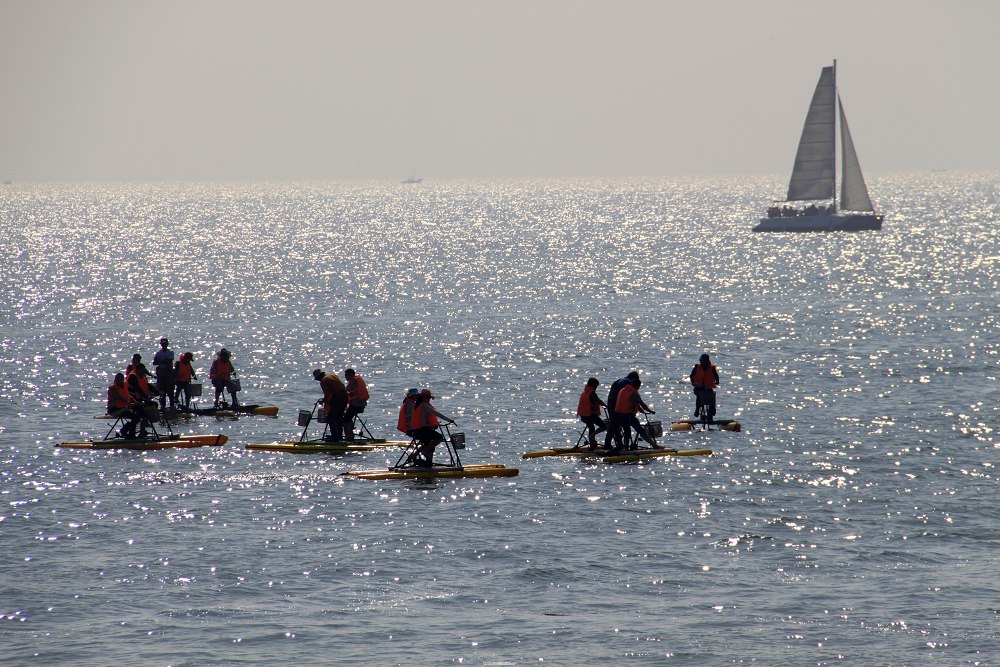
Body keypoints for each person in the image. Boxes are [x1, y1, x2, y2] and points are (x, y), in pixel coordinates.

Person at [410, 388, 454, 466]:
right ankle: (426, 451)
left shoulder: (417, 405)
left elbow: (423, 418)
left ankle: (416, 456)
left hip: (417, 430)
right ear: (424, 398)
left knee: (427, 443)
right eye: (428, 398)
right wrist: (449, 420)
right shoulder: (424, 405)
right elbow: (437, 413)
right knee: (440, 437)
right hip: (422, 430)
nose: (429, 400)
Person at [612, 376, 658, 451]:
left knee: (627, 431)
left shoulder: (623, 390)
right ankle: (654, 445)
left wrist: (639, 409)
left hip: (619, 415)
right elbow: (643, 405)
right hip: (628, 416)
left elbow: (628, 402)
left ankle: (625, 447)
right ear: (637, 386)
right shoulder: (634, 393)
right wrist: (651, 411)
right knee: (641, 430)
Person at [603, 371, 640, 450]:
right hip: (615, 407)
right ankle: (619, 445)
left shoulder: (622, 380)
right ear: (634, 378)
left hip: (612, 405)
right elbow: (625, 397)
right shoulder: (627, 382)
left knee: (614, 425)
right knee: (616, 425)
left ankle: (610, 444)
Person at [313, 368, 347, 441]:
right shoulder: (332, 375)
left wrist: (323, 401)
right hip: (345, 396)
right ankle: (339, 436)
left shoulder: (323, 381)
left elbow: (327, 394)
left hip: (338, 397)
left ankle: (335, 438)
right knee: (339, 417)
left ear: (319, 377)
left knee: (330, 418)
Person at [126, 360, 157, 438]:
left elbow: (148, 386)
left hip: (140, 400)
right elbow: (138, 389)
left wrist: (158, 392)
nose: (144, 372)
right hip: (133, 401)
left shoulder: (142, 377)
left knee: (154, 404)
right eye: (142, 370)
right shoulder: (133, 376)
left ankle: (144, 426)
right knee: (143, 414)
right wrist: (146, 398)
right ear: (138, 370)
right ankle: (139, 433)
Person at [575, 377, 607, 449]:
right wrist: (606, 406)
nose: (596, 388)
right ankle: (592, 437)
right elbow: (598, 401)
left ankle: (592, 443)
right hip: (590, 415)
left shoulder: (585, 392)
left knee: (591, 427)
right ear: (593, 386)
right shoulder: (592, 393)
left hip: (583, 416)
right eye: (596, 386)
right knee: (604, 426)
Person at [107, 372, 140, 439]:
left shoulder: (123, 387)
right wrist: (130, 404)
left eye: (121, 379)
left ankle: (127, 431)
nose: (120, 381)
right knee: (135, 417)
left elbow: (129, 396)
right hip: (114, 409)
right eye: (118, 379)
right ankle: (128, 433)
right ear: (116, 379)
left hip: (123, 408)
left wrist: (136, 402)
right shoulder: (112, 388)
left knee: (137, 416)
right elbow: (119, 397)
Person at [690, 353, 720, 423]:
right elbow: (691, 376)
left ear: (707, 361)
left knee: (712, 399)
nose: (702, 363)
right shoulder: (697, 367)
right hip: (698, 387)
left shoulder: (711, 368)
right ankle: (697, 410)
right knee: (699, 397)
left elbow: (716, 376)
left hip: (708, 387)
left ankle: (711, 414)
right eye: (701, 361)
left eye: (703, 361)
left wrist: (717, 381)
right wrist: (693, 383)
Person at [343, 368, 370, 440]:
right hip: (361, 404)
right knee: (348, 418)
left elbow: (345, 391)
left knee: (345, 420)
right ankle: (351, 433)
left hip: (356, 405)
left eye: (346, 375)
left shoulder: (353, 381)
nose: (345, 377)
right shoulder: (358, 379)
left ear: (350, 375)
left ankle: (349, 437)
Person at [152, 337, 176, 411]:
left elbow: (169, 361)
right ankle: (163, 407)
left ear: (167, 344)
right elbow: (155, 362)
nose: (164, 345)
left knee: (170, 392)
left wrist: (161, 361)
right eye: (162, 344)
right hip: (161, 375)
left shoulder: (170, 352)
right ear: (161, 344)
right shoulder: (158, 353)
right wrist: (164, 361)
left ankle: (172, 407)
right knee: (162, 392)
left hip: (169, 375)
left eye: (165, 344)